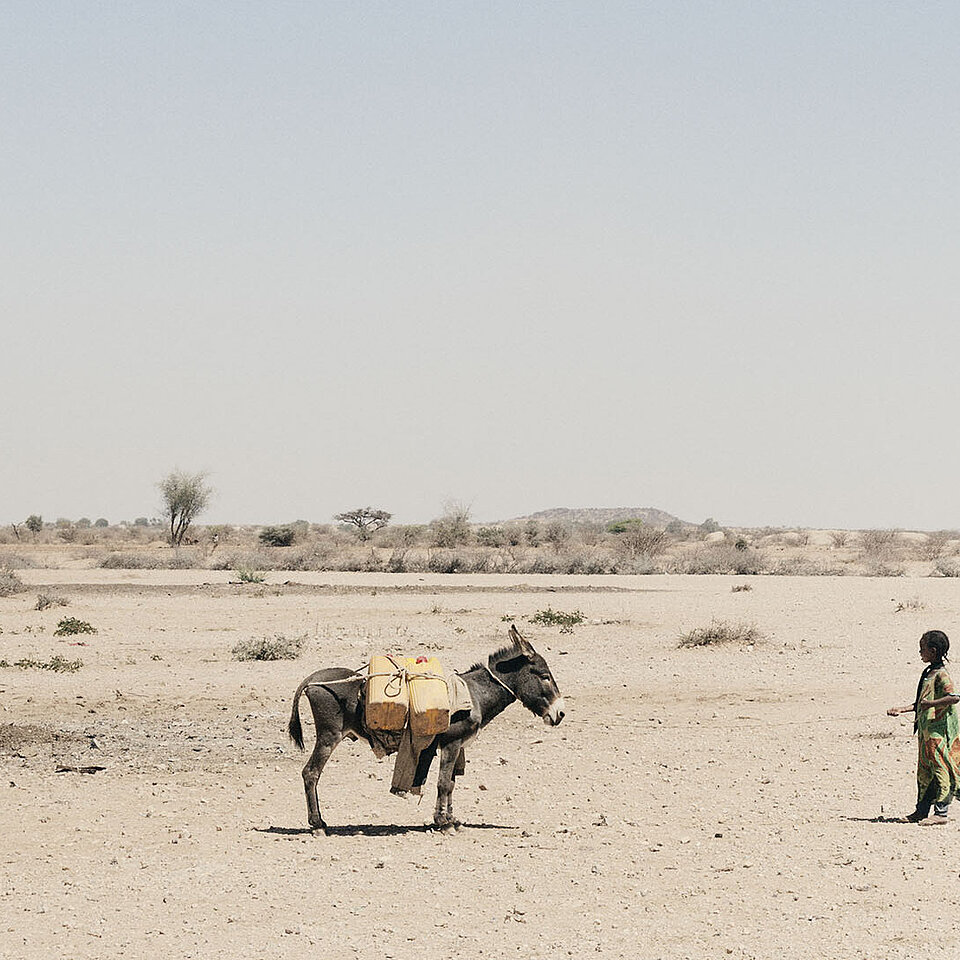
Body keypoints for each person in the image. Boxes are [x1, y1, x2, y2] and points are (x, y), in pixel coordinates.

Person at [887, 630, 960, 824]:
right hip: (926, 734)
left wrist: (932, 705)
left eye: (923, 649)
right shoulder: (928, 673)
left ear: (933, 651)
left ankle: (941, 813)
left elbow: (954, 697)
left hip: (939, 733)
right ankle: (920, 811)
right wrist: (902, 709)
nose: (920, 652)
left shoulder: (942, 674)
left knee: (940, 769)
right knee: (924, 772)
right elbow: (921, 702)